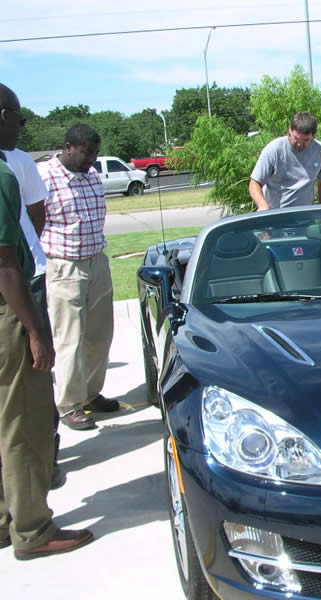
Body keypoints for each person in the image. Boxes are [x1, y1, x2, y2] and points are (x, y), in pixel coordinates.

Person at [0, 84, 93, 560]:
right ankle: (33, 531)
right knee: (26, 426)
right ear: (2, 115)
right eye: (17, 116)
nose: (22, 125)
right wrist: (36, 332)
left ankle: (5, 519)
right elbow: (6, 264)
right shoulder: (1, 173)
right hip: (11, 309)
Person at [38, 124, 118, 431]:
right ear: (69, 148)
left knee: (99, 336)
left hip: (97, 261)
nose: (93, 159)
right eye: (88, 153)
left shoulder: (92, 175)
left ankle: (90, 393)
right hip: (64, 266)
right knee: (70, 338)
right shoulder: (45, 176)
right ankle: (69, 405)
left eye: (96, 153)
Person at [249, 112, 321, 211]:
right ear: (290, 130)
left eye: (306, 140)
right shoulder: (274, 149)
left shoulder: (320, 150)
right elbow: (254, 183)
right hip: (275, 214)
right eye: (296, 138)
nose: (300, 144)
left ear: (313, 136)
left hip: (306, 215)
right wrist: (263, 206)